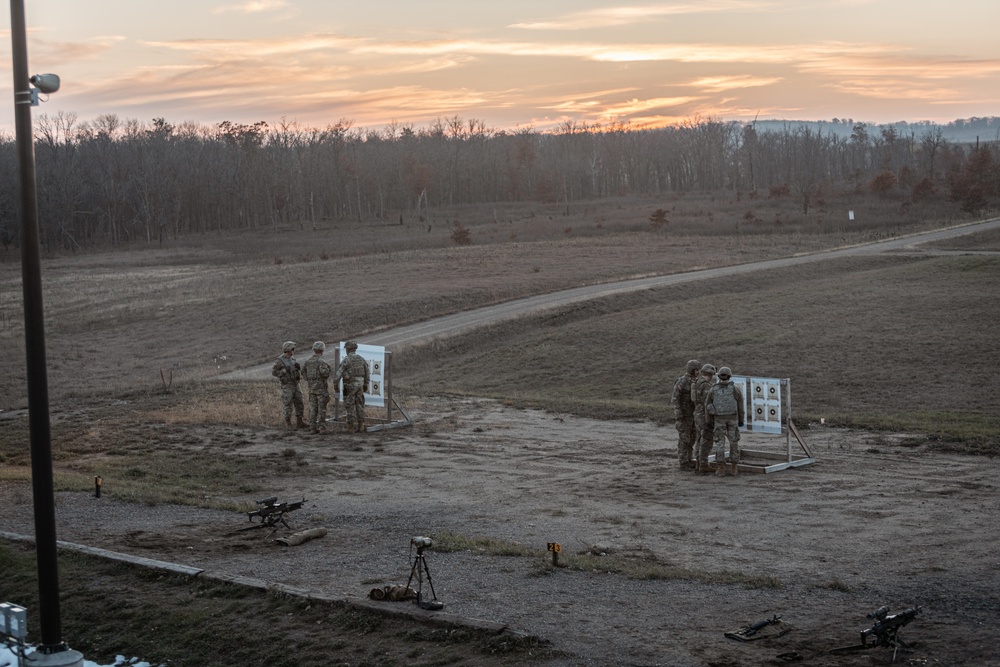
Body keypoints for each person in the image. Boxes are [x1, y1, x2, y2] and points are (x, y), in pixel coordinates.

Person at [706, 366, 745, 477]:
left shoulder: (713, 389)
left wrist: (708, 420)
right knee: (734, 442)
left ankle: (721, 468)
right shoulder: (735, 389)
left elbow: (707, 405)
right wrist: (741, 420)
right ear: (729, 376)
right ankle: (734, 467)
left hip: (718, 420)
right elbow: (740, 405)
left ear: (718, 376)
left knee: (720, 443)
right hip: (732, 419)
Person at [671, 359, 701, 470]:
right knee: (684, 438)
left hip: (693, 415)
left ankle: (689, 458)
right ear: (691, 370)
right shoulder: (682, 381)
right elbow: (675, 398)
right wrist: (678, 413)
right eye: (697, 370)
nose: (698, 372)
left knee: (693, 437)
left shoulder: (697, 381)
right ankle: (683, 462)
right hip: (684, 415)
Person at [335, 340, 370, 433]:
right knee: (360, 404)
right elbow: (367, 372)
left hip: (349, 386)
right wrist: (366, 384)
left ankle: (350, 427)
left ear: (348, 349)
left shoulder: (346, 360)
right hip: (360, 385)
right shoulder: (361, 359)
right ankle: (361, 425)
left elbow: (338, 374)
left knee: (349, 405)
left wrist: (335, 385)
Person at [271, 341, 306, 430]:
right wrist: (284, 371)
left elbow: (295, 371)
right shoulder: (280, 361)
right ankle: (288, 423)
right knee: (287, 403)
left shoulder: (293, 359)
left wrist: (298, 369)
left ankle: (300, 421)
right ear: (287, 350)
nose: (293, 351)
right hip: (287, 385)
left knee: (299, 402)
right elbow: (274, 372)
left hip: (295, 383)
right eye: (292, 349)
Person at [691, 363, 717, 474]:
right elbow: (708, 403)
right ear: (710, 374)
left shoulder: (696, 382)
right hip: (704, 415)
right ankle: (704, 464)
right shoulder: (706, 385)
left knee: (698, 439)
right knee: (706, 441)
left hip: (697, 413)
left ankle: (698, 463)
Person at [303, 341, 332, 434]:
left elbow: (303, 373)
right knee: (321, 409)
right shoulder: (321, 361)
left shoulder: (308, 361)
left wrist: (310, 380)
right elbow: (325, 374)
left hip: (311, 389)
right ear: (322, 350)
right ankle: (322, 428)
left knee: (312, 408)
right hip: (321, 389)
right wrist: (329, 369)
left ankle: (312, 428)